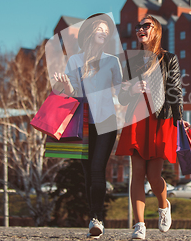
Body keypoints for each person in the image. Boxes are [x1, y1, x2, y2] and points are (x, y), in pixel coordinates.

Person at [115, 15, 188, 240]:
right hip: (136, 120)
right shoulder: (131, 60)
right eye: (138, 26)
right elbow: (122, 95)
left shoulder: (169, 59)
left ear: (156, 30)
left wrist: (179, 119)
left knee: (154, 176)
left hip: (160, 119)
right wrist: (132, 90)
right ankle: (139, 225)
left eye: (146, 25)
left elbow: (175, 90)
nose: (140, 29)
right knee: (137, 173)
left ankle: (163, 204)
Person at [54, 13, 122, 238]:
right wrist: (65, 85)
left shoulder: (112, 60)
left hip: (106, 121)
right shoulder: (75, 61)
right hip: (82, 123)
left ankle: (97, 219)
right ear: (91, 33)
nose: (103, 32)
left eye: (106, 30)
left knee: (96, 168)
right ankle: (94, 217)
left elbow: (121, 93)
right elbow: (71, 92)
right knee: (87, 173)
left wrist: (132, 90)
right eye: (99, 29)